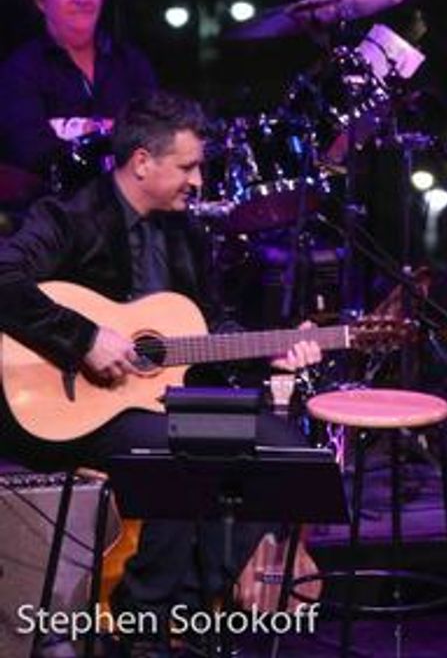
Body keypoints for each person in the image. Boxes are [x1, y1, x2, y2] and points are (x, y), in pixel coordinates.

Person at [0, 91, 319, 656]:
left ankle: (196, 609)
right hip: (60, 407)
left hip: (149, 403)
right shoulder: (69, 217)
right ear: (142, 161)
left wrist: (270, 350)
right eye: (188, 166)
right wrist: (84, 339)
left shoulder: (185, 233)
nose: (198, 181)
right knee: (183, 450)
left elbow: (204, 328)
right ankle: (142, 620)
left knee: (283, 444)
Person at [0, 0, 157, 184]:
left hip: (130, 197)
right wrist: (108, 134)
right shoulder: (21, 69)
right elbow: (30, 150)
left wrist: (76, 133)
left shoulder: (130, 62)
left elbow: (155, 136)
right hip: (52, 201)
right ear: (40, 0)